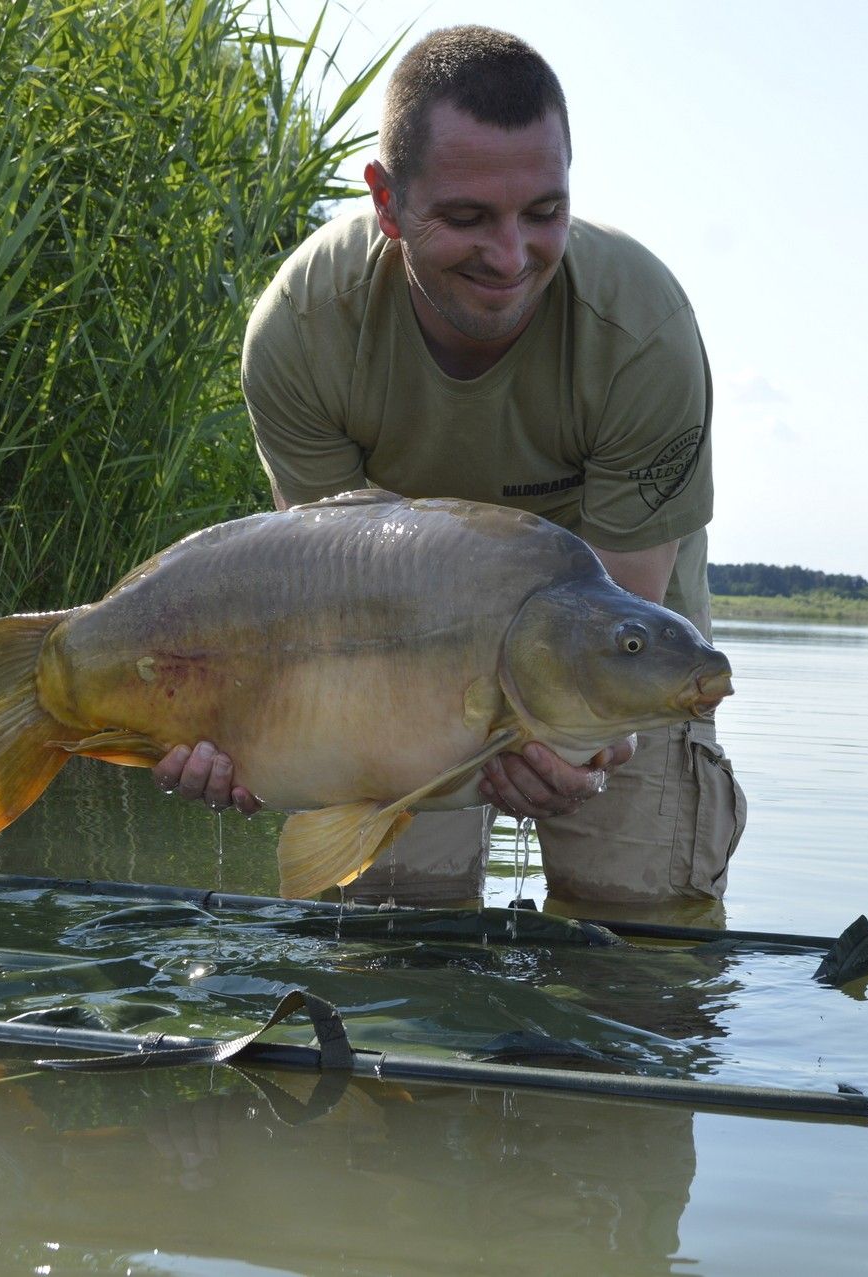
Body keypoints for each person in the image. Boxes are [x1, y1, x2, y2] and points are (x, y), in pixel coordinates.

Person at [151, 25, 743, 905]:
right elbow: (317, 596)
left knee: (641, 924)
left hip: (601, 634)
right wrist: (239, 736)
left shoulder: (642, 331)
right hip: (387, 643)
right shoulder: (307, 326)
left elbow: (618, 609)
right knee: (388, 926)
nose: (511, 258)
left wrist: (566, 747)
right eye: (468, 217)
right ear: (387, 203)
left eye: (544, 212)